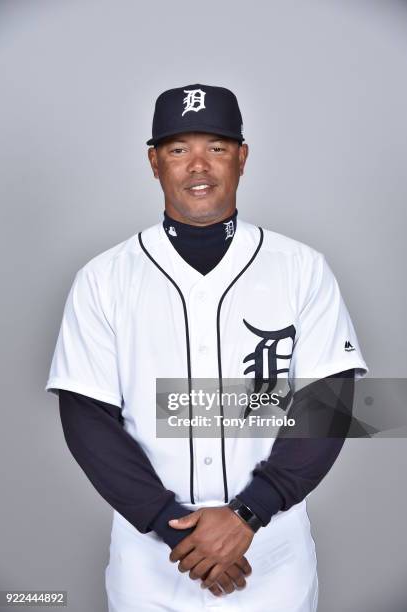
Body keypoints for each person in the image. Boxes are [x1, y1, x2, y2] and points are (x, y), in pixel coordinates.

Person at [45, 83, 369, 611]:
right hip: (151, 561)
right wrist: (177, 533)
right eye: (179, 149)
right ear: (154, 162)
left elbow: (329, 402)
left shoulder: (301, 268)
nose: (199, 165)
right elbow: (86, 417)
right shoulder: (103, 278)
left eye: (216, 148)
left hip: (272, 555)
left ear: (242, 157)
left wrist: (249, 514)